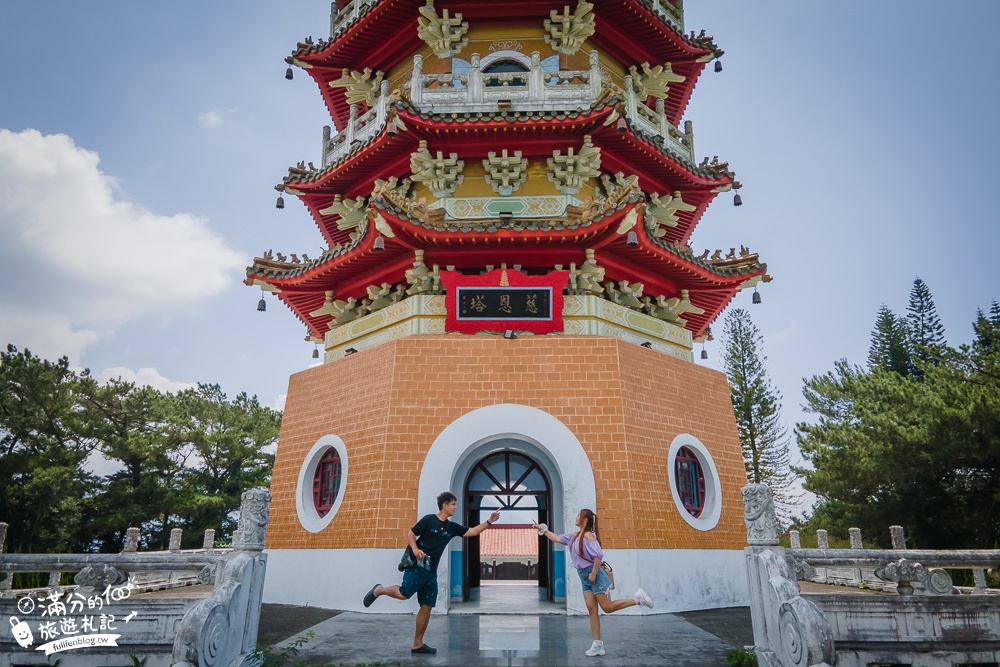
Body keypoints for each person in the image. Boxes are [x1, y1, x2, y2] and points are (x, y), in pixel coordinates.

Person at [363, 491, 500, 655]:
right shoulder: (429, 520)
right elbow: (411, 533)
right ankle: (380, 590)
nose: (455, 507)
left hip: (431, 572)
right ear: (445, 505)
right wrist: (415, 549)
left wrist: (489, 521)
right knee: (404, 593)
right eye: (453, 504)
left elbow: (472, 531)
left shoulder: (452, 527)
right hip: (416, 566)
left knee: (427, 606)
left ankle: (417, 643)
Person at [534, 509, 653, 657]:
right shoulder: (575, 536)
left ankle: (638, 599)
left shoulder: (589, 536)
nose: (576, 517)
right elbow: (557, 538)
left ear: (585, 521)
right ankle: (597, 644)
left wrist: (593, 574)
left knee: (607, 607)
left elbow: (598, 556)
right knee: (592, 610)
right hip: (584, 576)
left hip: (595, 575)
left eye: (579, 515)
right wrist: (543, 529)